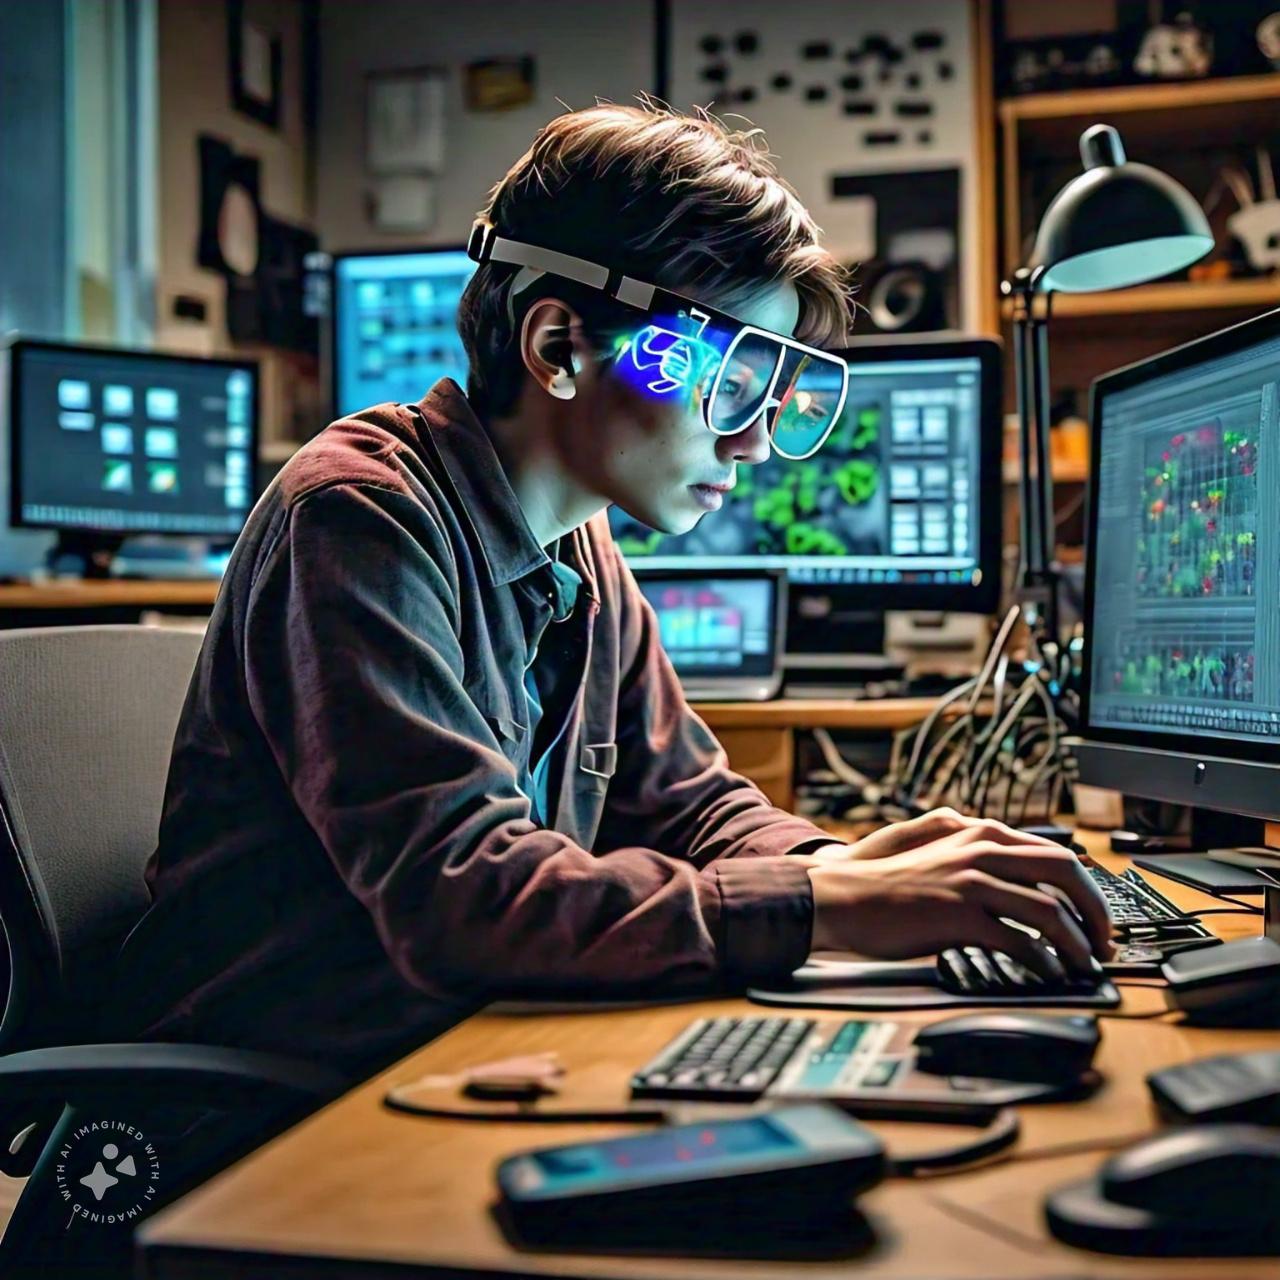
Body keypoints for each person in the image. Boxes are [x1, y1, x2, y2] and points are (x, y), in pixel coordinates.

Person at [106, 101, 1111, 1090]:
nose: (754, 441)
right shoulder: (357, 517)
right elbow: (464, 900)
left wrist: (857, 867)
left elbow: (692, 805)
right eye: (725, 384)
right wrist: (823, 898)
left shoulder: (579, 543)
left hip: (454, 1045)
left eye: (773, 394)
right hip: (266, 1107)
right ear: (556, 347)